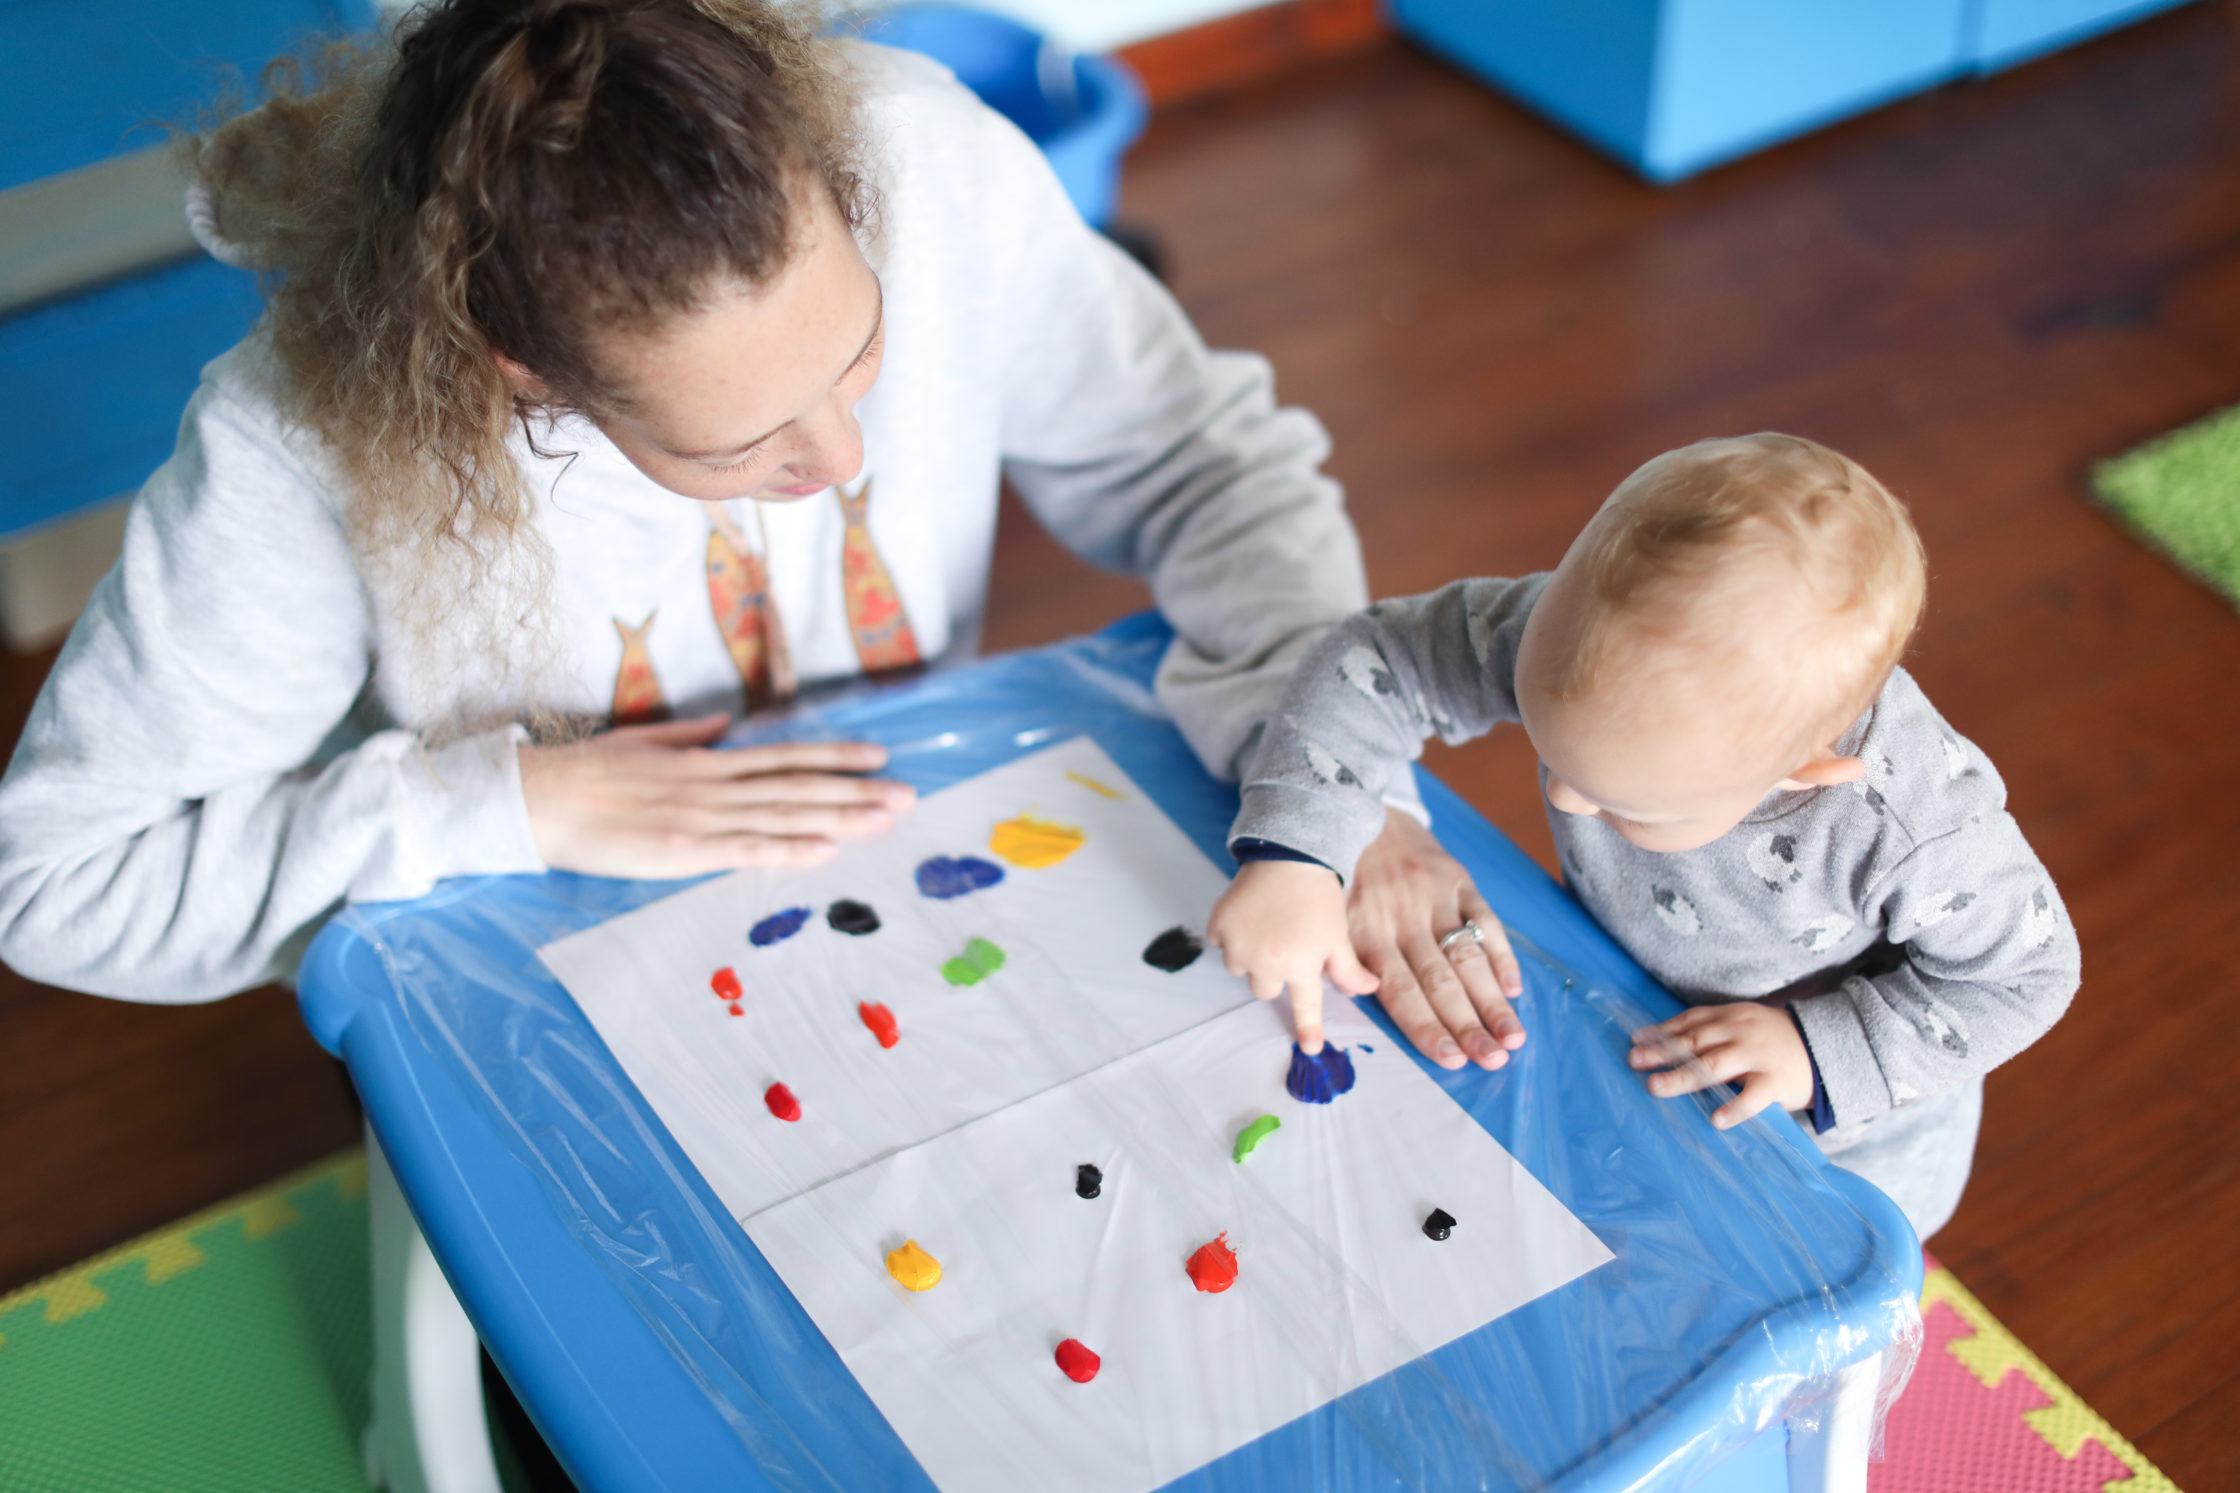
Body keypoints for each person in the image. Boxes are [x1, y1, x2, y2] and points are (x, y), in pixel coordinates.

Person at [0, 0, 1504, 1006]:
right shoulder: (300, 445)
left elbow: (1205, 463)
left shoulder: (916, 152)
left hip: (916, 874)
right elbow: (53, 882)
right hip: (545, 948)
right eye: (740, 449)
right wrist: (506, 800)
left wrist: (1325, 783)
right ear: (527, 380)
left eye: (861, 354)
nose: (845, 459)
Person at [1208, 433, 2079, 1237]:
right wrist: (1300, 853)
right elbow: (1378, 659)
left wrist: (1815, 1051)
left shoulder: (1911, 824)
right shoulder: (1582, 635)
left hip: (1842, 1136)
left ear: (1799, 775)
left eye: (1630, 805)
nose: (1572, 805)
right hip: (1639, 1020)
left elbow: (2030, 974)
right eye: (1555, 760)